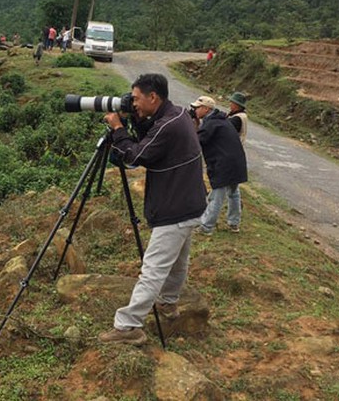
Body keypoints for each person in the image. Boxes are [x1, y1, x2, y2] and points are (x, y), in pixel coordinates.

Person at [98, 74, 207, 346]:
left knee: (153, 269)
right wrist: (134, 120)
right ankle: (168, 303)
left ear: (153, 97)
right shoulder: (176, 114)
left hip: (175, 205)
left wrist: (117, 129)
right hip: (188, 202)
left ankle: (128, 326)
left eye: (135, 99)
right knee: (179, 260)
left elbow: (135, 156)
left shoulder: (167, 125)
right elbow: (149, 139)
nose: (132, 103)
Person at [190, 96, 248, 235]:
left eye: (197, 108)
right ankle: (234, 223)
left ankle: (206, 227)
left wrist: (192, 125)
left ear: (206, 109)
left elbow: (197, 141)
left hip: (224, 164)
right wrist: (198, 122)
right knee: (233, 193)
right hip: (236, 162)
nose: (194, 110)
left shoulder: (212, 123)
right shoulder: (220, 120)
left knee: (216, 196)